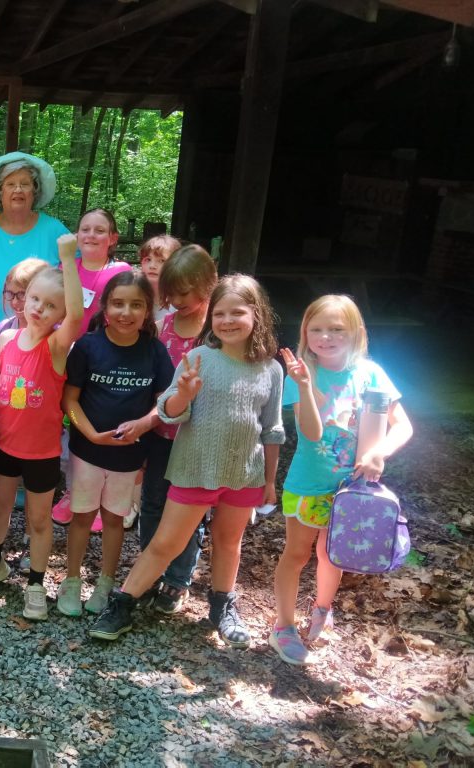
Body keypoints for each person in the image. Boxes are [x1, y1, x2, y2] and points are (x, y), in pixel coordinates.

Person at [89, 274, 285, 646]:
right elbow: (169, 412)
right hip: (195, 469)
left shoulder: (271, 370)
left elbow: (271, 430)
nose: (227, 321)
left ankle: (222, 606)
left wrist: (270, 481)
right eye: (220, 313)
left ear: (256, 315)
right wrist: (184, 393)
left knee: (229, 542)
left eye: (237, 313)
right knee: (166, 542)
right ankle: (122, 603)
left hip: (245, 474)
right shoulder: (198, 359)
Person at [270, 295, 413, 665]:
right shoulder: (303, 372)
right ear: (305, 333)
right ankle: (283, 627)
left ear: (356, 333)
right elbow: (312, 434)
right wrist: (302, 386)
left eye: (337, 329)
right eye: (316, 329)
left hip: (354, 492)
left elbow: (403, 427)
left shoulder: (372, 374)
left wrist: (378, 452)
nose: (326, 337)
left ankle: (322, 609)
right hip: (310, 483)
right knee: (297, 554)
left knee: (332, 554)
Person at [0, 235, 82, 620]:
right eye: (34, 299)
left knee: (38, 519)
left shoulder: (56, 346)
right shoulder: (7, 337)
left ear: (61, 314)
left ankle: (35, 582)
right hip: (6, 445)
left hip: (43, 452)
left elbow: (79, 316)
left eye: (51, 306)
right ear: (24, 296)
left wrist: (67, 257)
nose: (39, 309)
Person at [57, 271, 175, 619]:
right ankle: (73, 579)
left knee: (113, 519)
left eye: (136, 305)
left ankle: (106, 582)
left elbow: (164, 401)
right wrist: (90, 434)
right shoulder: (89, 346)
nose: (126, 312)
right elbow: (70, 400)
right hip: (86, 453)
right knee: (81, 518)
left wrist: (145, 424)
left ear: (148, 311)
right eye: (118, 303)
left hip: (129, 457)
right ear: (105, 307)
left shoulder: (154, 351)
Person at [137, 245, 218, 614]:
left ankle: (178, 578)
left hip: (198, 438)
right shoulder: (164, 326)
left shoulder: (217, 330)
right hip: (160, 434)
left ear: (207, 284)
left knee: (188, 510)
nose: (176, 300)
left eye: (185, 292)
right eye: (171, 293)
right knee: (153, 501)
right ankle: (150, 565)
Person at [51, 209, 133, 532]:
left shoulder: (122, 272)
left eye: (100, 230)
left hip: (106, 360)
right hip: (67, 356)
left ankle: (103, 499)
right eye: (85, 228)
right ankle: (74, 492)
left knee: (100, 423)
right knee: (70, 426)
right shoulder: (64, 267)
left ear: (112, 238)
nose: (91, 235)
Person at [0, 152, 69, 333]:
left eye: (25, 184)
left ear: (35, 191)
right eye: (10, 184)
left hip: (39, 346)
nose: (18, 190)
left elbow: (78, 278)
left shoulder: (54, 231)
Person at [0, 258, 50, 359]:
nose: (14, 302)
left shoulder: (55, 336)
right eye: (10, 293)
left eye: (22, 294)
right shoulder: (2, 329)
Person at [138, 234, 182, 326]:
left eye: (161, 261)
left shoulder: (180, 303)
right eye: (148, 259)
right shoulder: (133, 294)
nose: (152, 266)